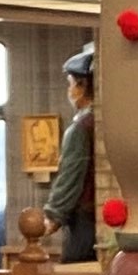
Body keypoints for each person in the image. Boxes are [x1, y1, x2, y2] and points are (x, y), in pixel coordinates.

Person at [45, 43, 97, 263]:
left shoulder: (81, 127)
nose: (69, 91)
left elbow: (71, 175)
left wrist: (53, 214)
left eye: (71, 84)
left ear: (82, 85)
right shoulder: (100, 122)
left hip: (84, 221)